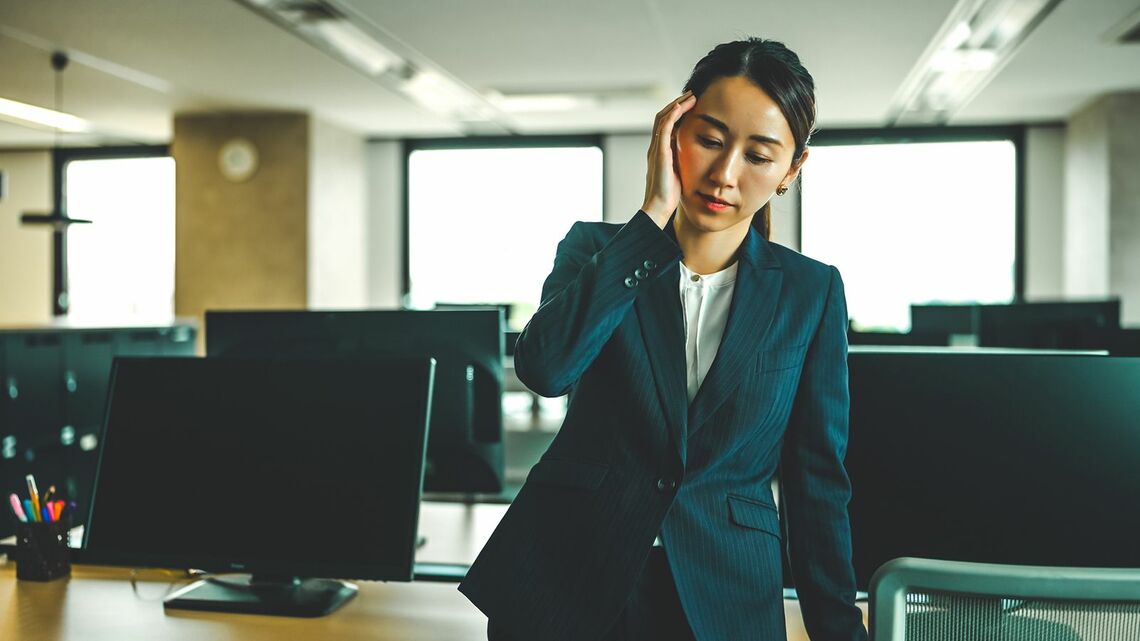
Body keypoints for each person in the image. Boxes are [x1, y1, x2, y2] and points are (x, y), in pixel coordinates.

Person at [459, 38, 867, 641]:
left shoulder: (811, 293)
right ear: (673, 129)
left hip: (722, 592)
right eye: (709, 139)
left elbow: (815, 481)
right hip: (566, 577)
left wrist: (838, 628)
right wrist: (651, 217)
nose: (725, 174)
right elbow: (546, 370)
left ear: (791, 171)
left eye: (758, 154)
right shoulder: (597, 252)